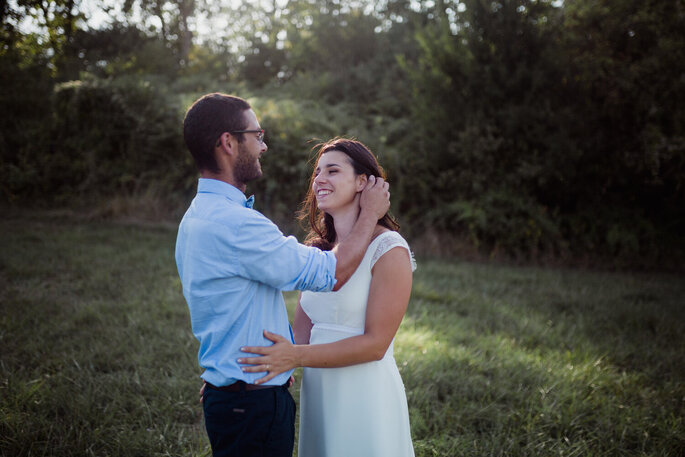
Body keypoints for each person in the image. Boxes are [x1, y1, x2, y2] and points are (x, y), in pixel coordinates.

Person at [175, 94, 391, 457]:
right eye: (256, 135)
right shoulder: (237, 224)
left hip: (231, 394)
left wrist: (223, 379)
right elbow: (332, 273)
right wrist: (370, 213)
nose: (264, 145)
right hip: (252, 405)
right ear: (228, 142)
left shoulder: (196, 215)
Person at [239, 138, 415, 457]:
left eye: (332, 171)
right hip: (320, 395)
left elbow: (376, 345)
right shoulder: (318, 256)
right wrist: (233, 378)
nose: (319, 179)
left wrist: (294, 357)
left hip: (366, 396)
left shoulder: (389, 249)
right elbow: (298, 337)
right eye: (317, 172)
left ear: (364, 181)